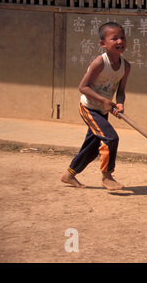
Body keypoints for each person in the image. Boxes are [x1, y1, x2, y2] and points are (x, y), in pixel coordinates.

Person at [60, 22, 131, 190]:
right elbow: (82, 87)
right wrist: (104, 101)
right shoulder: (100, 62)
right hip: (89, 108)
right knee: (110, 138)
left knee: (93, 146)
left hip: (103, 109)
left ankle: (69, 174)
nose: (120, 41)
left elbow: (121, 91)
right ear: (103, 43)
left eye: (122, 37)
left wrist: (120, 103)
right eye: (114, 38)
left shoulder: (125, 67)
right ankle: (107, 176)